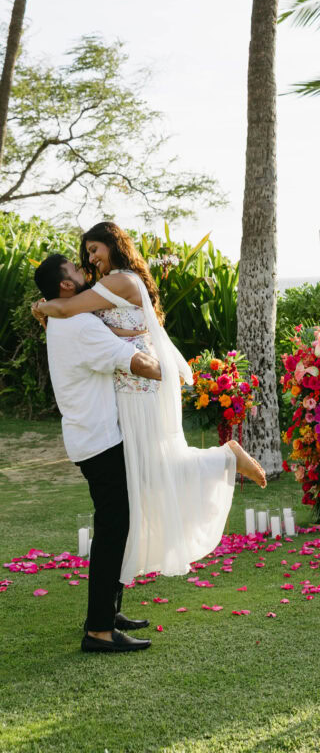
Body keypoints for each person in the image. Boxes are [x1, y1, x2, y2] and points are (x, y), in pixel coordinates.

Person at [32, 224, 267, 629]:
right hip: (123, 404)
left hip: (135, 395)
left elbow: (79, 315)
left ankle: (104, 620)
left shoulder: (114, 283)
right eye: (81, 258)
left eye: (93, 250)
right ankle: (106, 617)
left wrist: (45, 307)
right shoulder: (94, 298)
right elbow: (113, 329)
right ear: (65, 283)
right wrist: (50, 306)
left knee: (150, 480)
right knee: (141, 492)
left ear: (112, 243)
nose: (88, 260)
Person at [34, 253, 161, 653]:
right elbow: (133, 362)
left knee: (117, 526)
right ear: (66, 286)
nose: (83, 270)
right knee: (112, 530)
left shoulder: (66, 318)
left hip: (93, 436)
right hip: (99, 439)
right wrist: (178, 375)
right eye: (75, 269)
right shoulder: (79, 325)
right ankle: (100, 630)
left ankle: (108, 611)